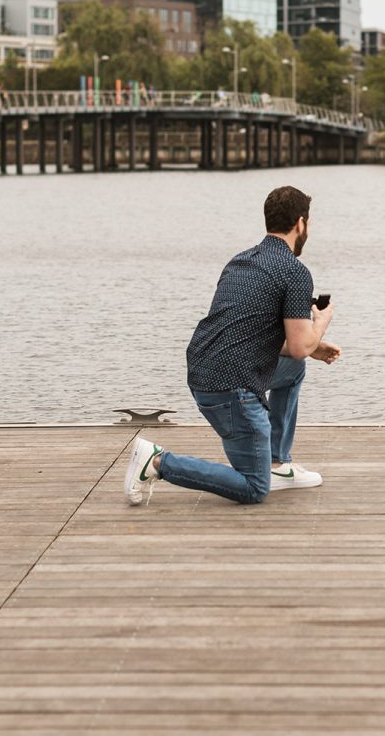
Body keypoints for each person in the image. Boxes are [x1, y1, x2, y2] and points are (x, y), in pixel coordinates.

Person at [124, 185, 340, 506]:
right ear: (300, 223)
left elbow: (246, 334)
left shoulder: (241, 261)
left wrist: (312, 347)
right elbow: (297, 345)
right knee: (253, 487)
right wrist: (321, 322)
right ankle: (156, 461)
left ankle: (278, 463)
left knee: (294, 368)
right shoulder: (295, 272)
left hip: (203, 370)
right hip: (231, 390)